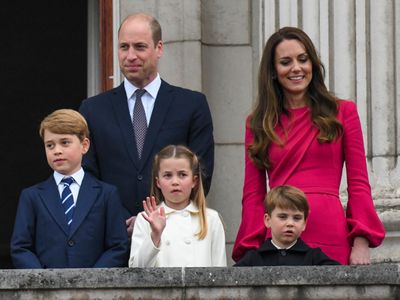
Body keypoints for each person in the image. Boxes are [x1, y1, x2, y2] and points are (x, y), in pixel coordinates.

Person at [233, 27, 385, 265]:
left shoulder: (343, 112)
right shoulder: (258, 122)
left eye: (303, 59)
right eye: (285, 62)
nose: (296, 68)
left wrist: (361, 240)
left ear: (312, 63)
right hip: (279, 238)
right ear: (273, 71)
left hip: (329, 232)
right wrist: (252, 249)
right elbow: (253, 193)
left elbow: (358, 183)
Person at [79, 13, 214, 237]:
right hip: (112, 238)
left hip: (174, 235)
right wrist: (118, 219)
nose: (130, 55)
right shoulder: (92, 110)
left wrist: (155, 217)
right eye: (124, 47)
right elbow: (88, 175)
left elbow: (202, 172)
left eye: (140, 47)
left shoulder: (191, 105)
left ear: (159, 48)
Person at [10, 109, 129, 268]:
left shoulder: (106, 194)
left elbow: (118, 246)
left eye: (65, 142)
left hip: (95, 290)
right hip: (46, 290)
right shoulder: (31, 196)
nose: (57, 150)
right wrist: (43, 281)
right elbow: (20, 248)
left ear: (84, 145)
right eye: (50, 145)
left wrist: (93, 280)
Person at [129, 145, 226, 267]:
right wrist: (155, 235)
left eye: (182, 175)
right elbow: (137, 270)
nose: (175, 182)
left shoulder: (211, 219)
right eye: (168, 175)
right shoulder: (145, 219)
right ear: (158, 182)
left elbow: (220, 271)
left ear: (194, 181)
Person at [235, 185, 340, 266]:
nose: (290, 223)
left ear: (304, 224)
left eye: (297, 218)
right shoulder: (254, 258)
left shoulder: (314, 257)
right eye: (283, 217)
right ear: (268, 220)